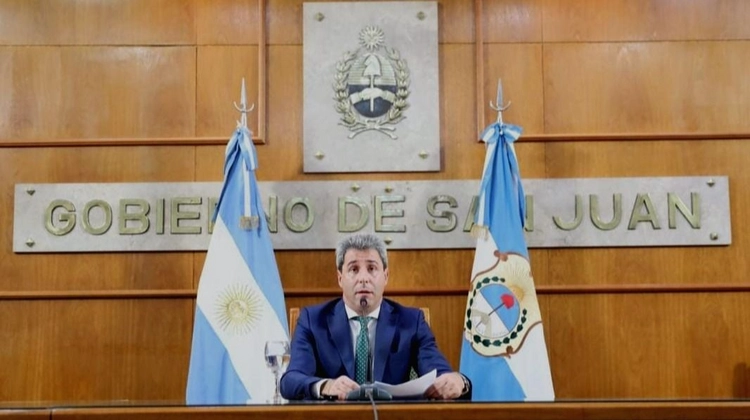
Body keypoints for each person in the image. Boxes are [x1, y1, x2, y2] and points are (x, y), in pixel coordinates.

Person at [279, 233, 471, 401]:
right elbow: (291, 380)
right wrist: (326, 386)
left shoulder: (412, 322)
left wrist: (458, 381)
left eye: (372, 268)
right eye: (354, 269)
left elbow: (438, 372)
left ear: (385, 276)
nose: (363, 278)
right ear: (340, 278)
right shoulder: (312, 320)